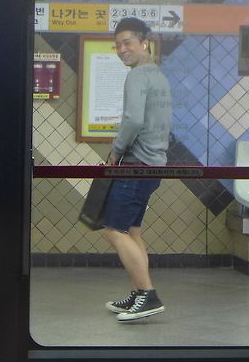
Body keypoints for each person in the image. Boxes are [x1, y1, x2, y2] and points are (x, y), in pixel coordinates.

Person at [103, 17, 172, 322]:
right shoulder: (158, 75)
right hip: (154, 164)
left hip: (136, 165)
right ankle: (137, 293)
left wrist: (116, 150)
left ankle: (148, 294)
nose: (122, 49)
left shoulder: (137, 76)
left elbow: (133, 120)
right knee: (132, 230)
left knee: (114, 230)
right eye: (117, 44)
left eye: (127, 42)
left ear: (144, 43)